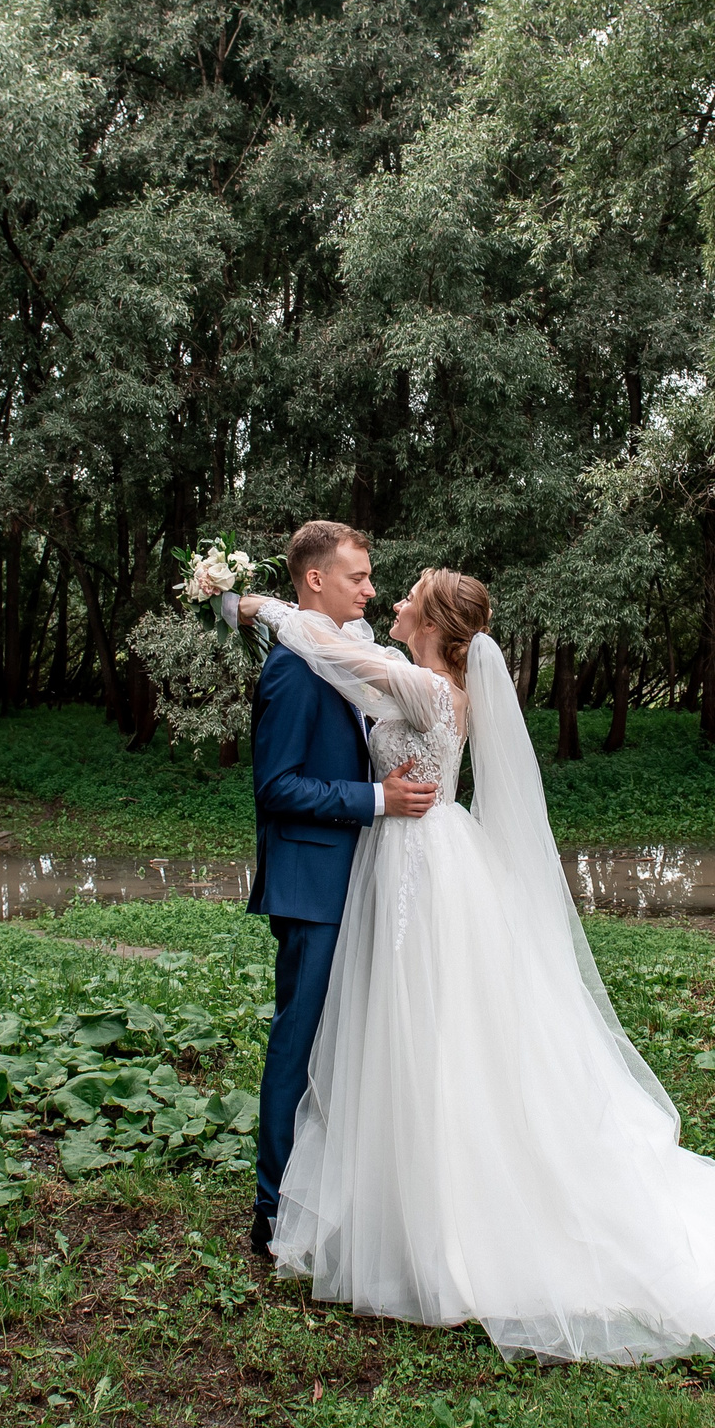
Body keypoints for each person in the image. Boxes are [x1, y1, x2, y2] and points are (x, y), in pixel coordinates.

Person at [233, 567, 715, 1364]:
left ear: (437, 621)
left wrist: (263, 606)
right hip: (407, 860)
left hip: (424, 861)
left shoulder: (423, 686)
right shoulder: (432, 678)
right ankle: (398, 1198)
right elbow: (339, 650)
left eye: (410, 590)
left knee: (433, 1033)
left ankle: (443, 1223)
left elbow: (334, 653)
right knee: (409, 1027)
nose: (394, 597)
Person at [237, 522, 438, 1265]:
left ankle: (327, 1193)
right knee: (298, 1041)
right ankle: (272, 1211)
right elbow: (276, 786)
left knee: (341, 1045)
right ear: (315, 580)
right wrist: (376, 799)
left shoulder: (343, 654)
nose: (371, 588)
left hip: (355, 877)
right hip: (313, 883)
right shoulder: (293, 667)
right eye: (358, 576)